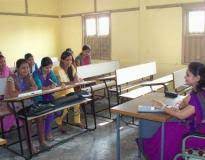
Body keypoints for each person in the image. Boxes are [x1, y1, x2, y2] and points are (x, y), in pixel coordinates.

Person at [138, 62, 205, 160]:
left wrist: (162, 107)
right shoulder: (198, 91)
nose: (185, 77)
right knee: (169, 126)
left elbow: (182, 115)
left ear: (197, 78)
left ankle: (161, 156)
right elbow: (186, 104)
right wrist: (179, 106)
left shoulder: (200, 95)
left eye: (188, 75)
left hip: (199, 135)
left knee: (167, 130)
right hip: (197, 128)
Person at [5, 59, 47, 153]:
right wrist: (28, 91)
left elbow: (35, 87)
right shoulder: (11, 78)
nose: (26, 70)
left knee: (40, 116)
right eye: (23, 68)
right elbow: (12, 94)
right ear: (17, 69)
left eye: (27, 67)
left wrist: (30, 88)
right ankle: (30, 145)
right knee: (28, 119)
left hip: (26, 101)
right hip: (13, 103)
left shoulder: (29, 76)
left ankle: (42, 141)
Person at [53, 51, 84, 130]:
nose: (69, 62)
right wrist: (72, 82)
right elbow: (59, 83)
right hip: (60, 93)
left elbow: (76, 79)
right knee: (66, 106)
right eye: (67, 60)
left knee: (77, 103)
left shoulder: (72, 67)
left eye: (70, 60)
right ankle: (59, 122)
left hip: (70, 91)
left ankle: (77, 121)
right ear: (62, 60)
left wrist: (79, 80)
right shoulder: (56, 69)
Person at [33, 57, 60, 141]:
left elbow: (56, 82)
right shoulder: (36, 73)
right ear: (41, 66)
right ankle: (47, 132)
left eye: (50, 67)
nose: (48, 69)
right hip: (39, 98)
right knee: (50, 111)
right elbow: (39, 86)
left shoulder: (50, 72)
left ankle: (46, 131)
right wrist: (48, 87)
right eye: (46, 68)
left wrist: (54, 85)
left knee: (55, 110)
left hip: (48, 96)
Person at [0, 54, 15, 133]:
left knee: (13, 107)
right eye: (1, 62)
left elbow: (13, 76)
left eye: (4, 61)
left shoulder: (7, 69)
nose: (3, 63)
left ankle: (5, 128)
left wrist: (13, 75)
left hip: (7, 97)